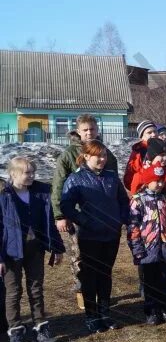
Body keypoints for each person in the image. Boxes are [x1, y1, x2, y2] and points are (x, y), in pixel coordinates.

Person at [61, 140, 129, 333]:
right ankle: (91, 316)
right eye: (98, 155)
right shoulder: (77, 179)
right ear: (87, 156)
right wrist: (84, 220)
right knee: (90, 276)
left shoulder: (111, 177)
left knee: (105, 274)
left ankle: (105, 314)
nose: (102, 159)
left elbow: (123, 201)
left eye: (105, 155)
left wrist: (120, 219)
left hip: (111, 234)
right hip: (90, 235)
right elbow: (66, 205)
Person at [52, 114, 118, 311]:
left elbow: (113, 183)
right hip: (79, 216)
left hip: (105, 220)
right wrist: (60, 215)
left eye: (92, 129)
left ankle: (102, 298)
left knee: (103, 263)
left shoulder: (107, 154)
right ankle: (85, 298)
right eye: (85, 130)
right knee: (80, 259)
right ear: (78, 132)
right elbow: (58, 186)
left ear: (97, 130)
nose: (89, 132)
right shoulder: (68, 155)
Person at [1, 157, 65, 342]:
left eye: (32, 172)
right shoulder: (4, 196)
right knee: (13, 292)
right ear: (13, 174)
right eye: (26, 173)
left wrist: (57, 247)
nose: (31, 176)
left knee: (36, 288)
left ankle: (41, 327)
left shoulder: (40, 193)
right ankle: (16, 332)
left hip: (35, 249)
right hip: (11, 252)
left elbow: (49, 222)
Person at [127, 164, 166, 325]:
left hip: (164, 246)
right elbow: (133, 226)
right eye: (155, 181)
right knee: (149, 282)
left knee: (163, 279)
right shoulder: (138, 201)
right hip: (146, 248)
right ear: (147, 181)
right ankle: (151, 310)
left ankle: (165, 307)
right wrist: (136, 248)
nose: (159, 184)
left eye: (161, 181)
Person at [123, 120, 160, 193]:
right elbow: (131, 175)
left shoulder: (162, 148)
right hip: (143, 192)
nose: (153, 134)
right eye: (149, 132)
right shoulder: (138, 152)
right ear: (142, 136)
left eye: (155, 131)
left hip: (161, 191)